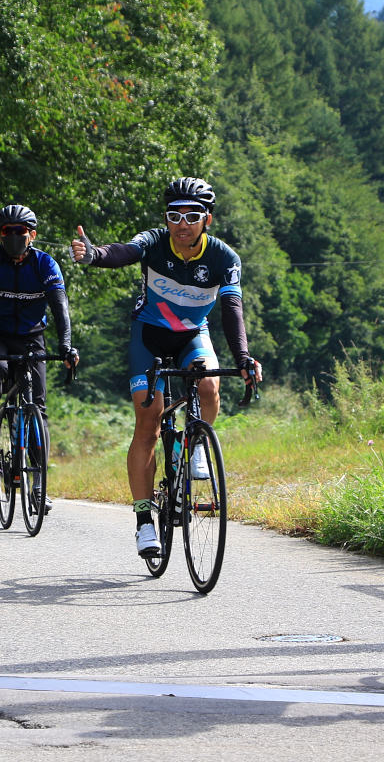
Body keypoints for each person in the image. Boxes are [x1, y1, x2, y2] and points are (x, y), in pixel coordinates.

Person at [71, 176, 262, 557]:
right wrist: (95, 255)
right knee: (149, 423)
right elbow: (124, 251)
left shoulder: (224, 258)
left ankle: (195, 449)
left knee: (208, 385)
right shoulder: (155, 241)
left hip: (193, 333)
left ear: (207, 219)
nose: (182, 224)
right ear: (167, 218)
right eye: (175, 215)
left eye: (192, 215)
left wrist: (242, 358)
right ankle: (144, 521)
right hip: (149, 337)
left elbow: (232, 309)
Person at [0, 204, 76, 460]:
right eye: (7, 231)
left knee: (38, 406)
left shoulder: (45, 264)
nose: (14, 236)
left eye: (20, 230)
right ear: (0, 235)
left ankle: (39, 486)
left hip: (31, 336)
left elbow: (61, 308)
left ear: (32, 235)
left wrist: (66, 347)